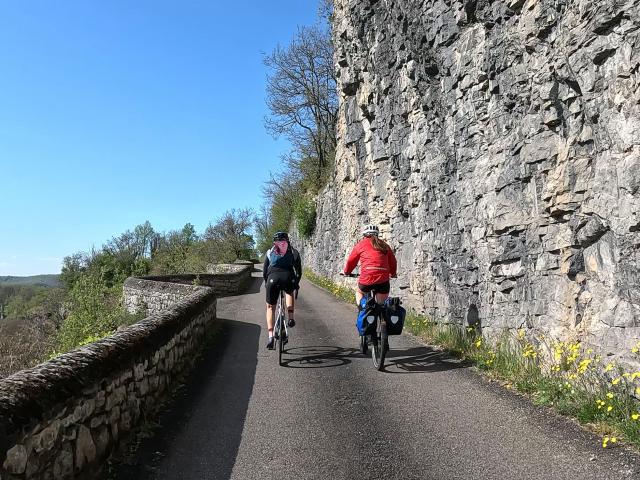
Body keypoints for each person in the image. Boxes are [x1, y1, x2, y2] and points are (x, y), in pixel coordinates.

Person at [263, 231, 302, 349]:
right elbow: (299, 271)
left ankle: (270, 336)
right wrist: (296, 283)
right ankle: (291, 318)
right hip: (288, 278)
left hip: (272, 279)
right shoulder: (294, 252)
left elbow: (265, 272)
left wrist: (267, 283)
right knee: (289, 292)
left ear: (274, 241)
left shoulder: (270, 252)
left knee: (270, 307)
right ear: (287, 240)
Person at [342, 224, 397, 307]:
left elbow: (351, 261)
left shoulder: (360, 245)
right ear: (377, 234)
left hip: (367, 278)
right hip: (383, 280)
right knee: (381, 305)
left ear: (365, 235)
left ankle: (363, 307)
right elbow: (393, 262)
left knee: (359, 292)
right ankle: (382, 317)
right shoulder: (385, 245)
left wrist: (346, 272)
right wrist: (393, 274)